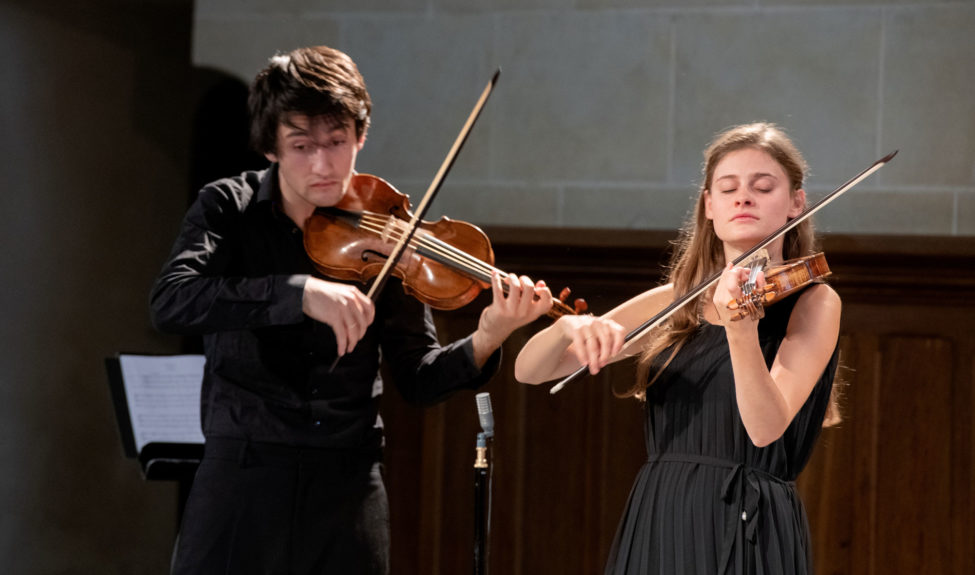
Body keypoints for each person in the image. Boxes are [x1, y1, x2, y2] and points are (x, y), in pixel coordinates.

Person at [150, 45, 553, 575]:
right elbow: (172, 301)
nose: (323, 165)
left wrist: (488, 336)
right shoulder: (227, 207)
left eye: (338, 142)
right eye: (301, 146)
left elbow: (418, 376)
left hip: (348, 484)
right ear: (270, 147)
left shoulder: (387, 228)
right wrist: (298, 292)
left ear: (360, 137)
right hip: (243, 477)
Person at [514, 122, 842, 574]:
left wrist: (741, 330)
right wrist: (569, 327)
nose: (743, 197)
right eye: (728, 188)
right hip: (662, 510)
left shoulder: (814, 301)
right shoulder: (677, 300)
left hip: (748, 518)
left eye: (762, 187)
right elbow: (529, 371)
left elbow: (766, 429)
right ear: (709, 206)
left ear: (796, 203)